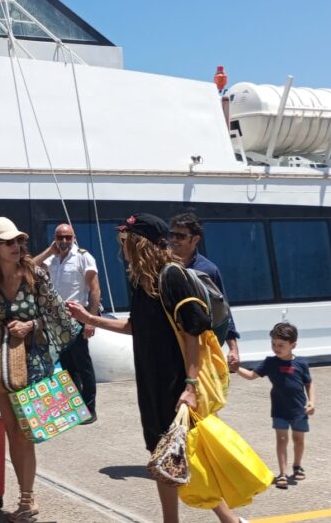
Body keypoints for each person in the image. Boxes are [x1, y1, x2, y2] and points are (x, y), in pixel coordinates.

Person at [66, 213, 247, 523]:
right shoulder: (141, 280)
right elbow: (137, 326)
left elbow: (193, 330)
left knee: (183, 454)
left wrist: (190, 387)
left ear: (141, 243)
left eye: (126, 241)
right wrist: (91, 319)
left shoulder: (172, 277)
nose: (121, 248)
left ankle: (226, 518)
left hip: (176, 384)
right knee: (162, 453)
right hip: (151, 382)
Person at [0, 217, 81, 523]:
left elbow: (58, 315)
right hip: (1, 362)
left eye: (19, 241)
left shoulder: (34, 274)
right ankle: (26, 499)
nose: (17, 247)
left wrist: (31, 324)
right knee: (13, 431)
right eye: (9, 242)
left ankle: (27, 500)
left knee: (27, 431)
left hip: (32, 360)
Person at [33, 223, 102, 422]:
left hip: (77, 319)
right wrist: (49, 251)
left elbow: (95, 290)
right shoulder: (51, 258)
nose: (64, 241)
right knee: (66, 367)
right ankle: (75, 407)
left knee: (83, 366)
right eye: (60, 237)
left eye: (67, 237)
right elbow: (30, 268)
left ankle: (90, 410)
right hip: (56, 322)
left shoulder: (83, 257)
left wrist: (91, 320)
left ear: (74, 238)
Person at [235, 323, 316, 490]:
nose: (276, 348)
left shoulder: (301, 363)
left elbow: (309, 383)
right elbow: (251, 375)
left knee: (298, 440)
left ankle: (297, 466)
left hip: (299, 409)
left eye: (281, 345)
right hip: (279, 409)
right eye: (273, 344)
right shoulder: (270, 362)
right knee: (281, 439)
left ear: (293, 345)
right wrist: (236, 368)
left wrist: (312, 402)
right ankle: (282, 473)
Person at [168, 212, 241, 370]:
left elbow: (222, 310)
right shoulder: (162, 266)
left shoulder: (209, 270)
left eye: (180, 236)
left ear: (195, 239)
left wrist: (233, 349)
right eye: (171, 234)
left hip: (201, 346)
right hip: (170, 346)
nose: (173, 239)